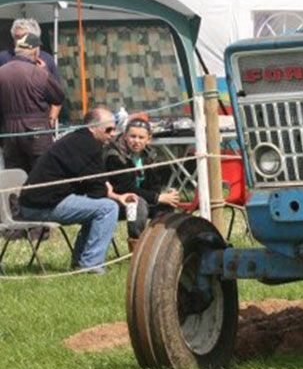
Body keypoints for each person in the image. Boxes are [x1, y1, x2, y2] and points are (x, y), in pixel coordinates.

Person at [17, 106, 139, 274]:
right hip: (40, 207)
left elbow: (94, 186)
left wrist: (113, 194)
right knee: (107, 208)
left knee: (101, 206)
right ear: (94, 128)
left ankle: (81, 261)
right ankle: (91, 265)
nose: (113, 134)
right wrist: (109, 192)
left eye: (115, 128)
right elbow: (96, 190)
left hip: (35, 202)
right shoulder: (90, 146)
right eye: (109, 129)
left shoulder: (78, 139)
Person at [104, 116, 180, 241]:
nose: (136, 141)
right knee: (138, 204)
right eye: (132, 136)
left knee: (166, 206)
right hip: (118, 200)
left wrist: (162, 196)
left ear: (148, 139)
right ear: (125, 136)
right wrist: (156, 197)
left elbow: (155, 183)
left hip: (143, 198)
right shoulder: (115, 155)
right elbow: (124, 188)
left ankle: (157, 241)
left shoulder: (149, 154)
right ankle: (136, 245)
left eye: (141, 137)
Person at [0, 33, 65, 172]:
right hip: (37, 131)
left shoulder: (1, 72)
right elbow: (58, 97)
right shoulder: (39, 73)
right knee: (41, 175)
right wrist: (46, 72)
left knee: (15, 175)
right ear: (35, 51)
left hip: (10, 132)